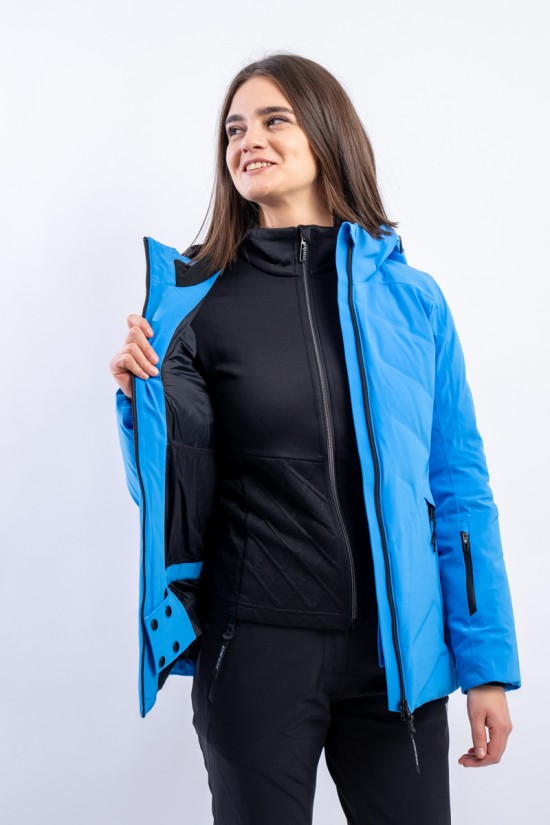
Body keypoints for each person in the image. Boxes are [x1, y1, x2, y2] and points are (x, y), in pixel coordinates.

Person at [109, 53, 521, 825]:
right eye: (234, 129)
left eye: (273, 119)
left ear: (327, 133)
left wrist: (487, 665)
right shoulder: (193, 303)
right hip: (255, 651)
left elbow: (461, 489)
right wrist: (139, 403)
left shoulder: (413, 301)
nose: (247, 141)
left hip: (397, 659)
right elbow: (169, 496)